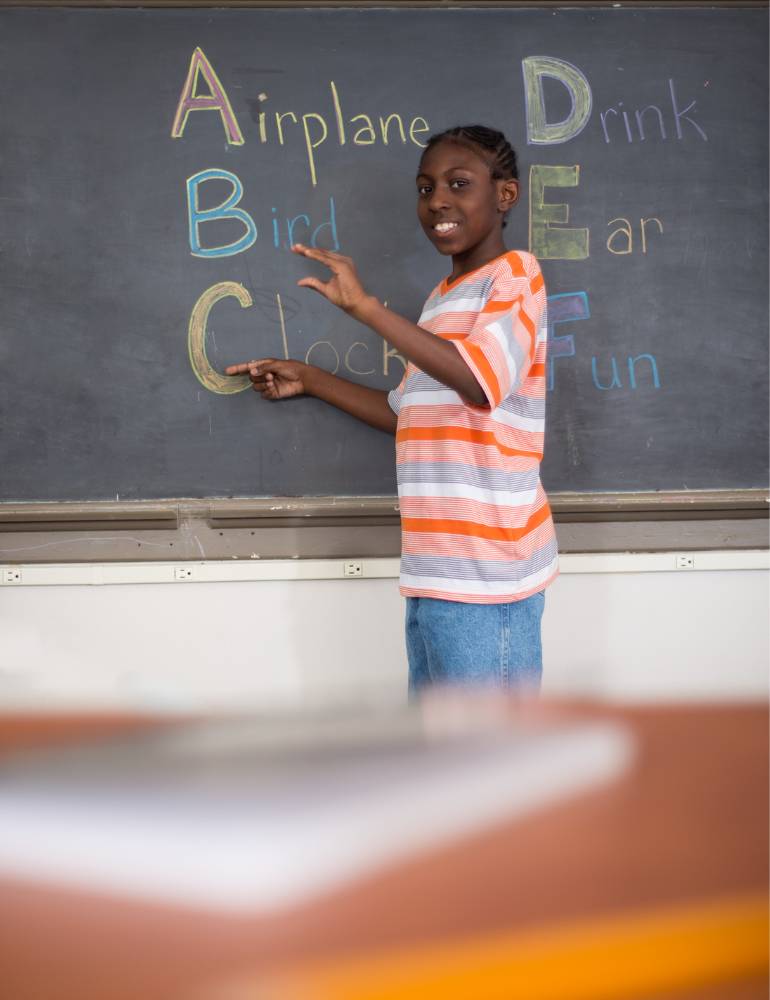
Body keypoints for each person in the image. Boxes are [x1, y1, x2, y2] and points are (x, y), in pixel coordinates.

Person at [226, 124, 558, 693]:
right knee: (441, 763)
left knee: (483, 767)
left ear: (506, 195)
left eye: (459, 184)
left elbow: (481, 382)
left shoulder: (516, 276)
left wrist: (365, 309)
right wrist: (310, 380)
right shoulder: (442, 299)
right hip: (435, 570)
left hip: (488, 573)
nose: (438, 202)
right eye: (426, 189)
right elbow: (412, 411)